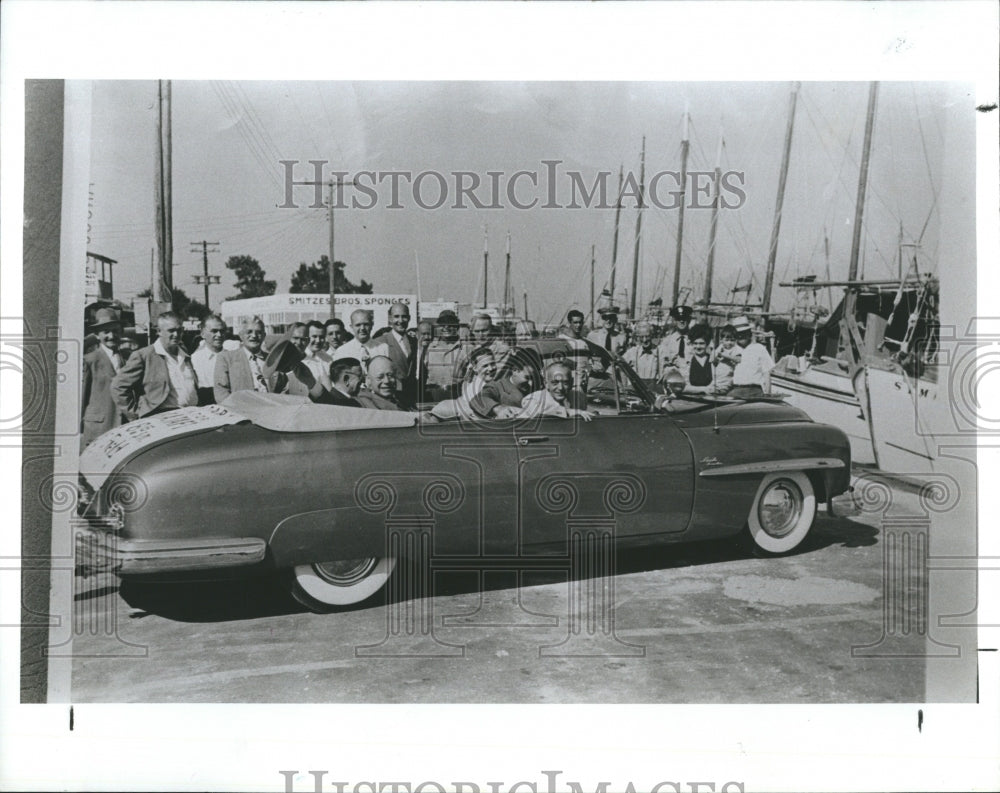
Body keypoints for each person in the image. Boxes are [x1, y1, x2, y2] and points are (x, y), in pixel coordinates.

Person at [111, 311, 199, 420]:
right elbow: (118, 386)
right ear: (159, 331)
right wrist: (136, 414)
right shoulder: (144, 356)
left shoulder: (184, 353)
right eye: (171, 330)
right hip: (163, 418)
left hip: (192, 415)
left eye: (179, 330)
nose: (176, 335)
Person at [80, 308, 127, 448]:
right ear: (97, 334)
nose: (111, 336)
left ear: (121, 332)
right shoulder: (89, 360)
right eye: (106, 332)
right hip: (98, 428)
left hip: (123, 427)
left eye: (115, 331)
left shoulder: (128, 358)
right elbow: (81, 398)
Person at [213, 316, 285, 402]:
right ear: (241, 335)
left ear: (264, 336)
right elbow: (221, 392)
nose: (254, 336)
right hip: (240, 408)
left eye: (258, 332)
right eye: (249, 332)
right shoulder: (226, 358)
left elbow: (283, 389)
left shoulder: (273, 359)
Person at [366, 301, 418, 404]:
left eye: (404, 317)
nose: (400, 321)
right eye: (396, 317)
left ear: (409, 318)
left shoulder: (414, 341)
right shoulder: (380, 342)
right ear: (390, 319)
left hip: (412, 396)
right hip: (391, 396)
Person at [470, 349, 536, 419]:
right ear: (515, 370)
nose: (531, 383)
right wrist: (499, 409)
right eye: (527, 378)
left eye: (492, 364)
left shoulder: (531, 388)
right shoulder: (496, 386)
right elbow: (477, 400)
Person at [519, 361, 593, 421]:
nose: (560, 388)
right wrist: (569, 412)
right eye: (555, 383)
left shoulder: (579, 397)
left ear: (571, 382)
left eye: (565, 383)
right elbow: (538, 413)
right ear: (546, 383)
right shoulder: (533, 399)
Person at [727, 315, 774, 398]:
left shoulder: (759, 348)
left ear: (749, 333)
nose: (741, 336)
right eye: (738, 333)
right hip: (736, 390)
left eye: (744, 333)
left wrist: (768, 394)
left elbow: (767, 373)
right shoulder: (732, 349)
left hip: (754, 390)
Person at [422, 309, 464, 402]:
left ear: (457, 327)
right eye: (442, 324)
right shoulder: (429, 347)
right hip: (432, 395)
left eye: (450, 324)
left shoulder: (465, 348)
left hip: (457, 396)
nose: (446, 327)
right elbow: (423, 373)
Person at [190, 314, 227, 405]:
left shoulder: (232, 356)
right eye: (214, 331)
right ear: (203, 334)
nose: (219, 335)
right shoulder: (195, 359)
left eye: (222, 331)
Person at [559, 309, 594, 391]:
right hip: (565, 384)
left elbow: (589, 363)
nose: (578, 325)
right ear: (569, 323)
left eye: (580, 322)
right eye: (575, 322)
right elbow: (557, 361)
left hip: (581, 385)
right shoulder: (561, 340)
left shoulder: (585, 342)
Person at [301, 320, 334, 392]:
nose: (318, 340)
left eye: (321, 337)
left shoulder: (328, 359)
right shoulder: (300, 359)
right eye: (314, 336)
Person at [682, 325, 715, 393]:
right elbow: (683, 387)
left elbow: (715, 385)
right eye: (695, 343)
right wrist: (704, 389)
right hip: (690, 397)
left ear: (707, 344)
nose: (698, 347)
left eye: (701, 343)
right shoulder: (687, 363)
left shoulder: (713, 361)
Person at [711, 324, 738, 394]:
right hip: (717, 378)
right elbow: (712, 360)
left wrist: (725, 356)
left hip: (728, 378)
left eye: (732, 340)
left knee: (724, 387)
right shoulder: (720, 348)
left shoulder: (735, 349)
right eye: (727, 340)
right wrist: (716, 357)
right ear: (721, 340)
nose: (729, 343)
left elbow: (738, 359)